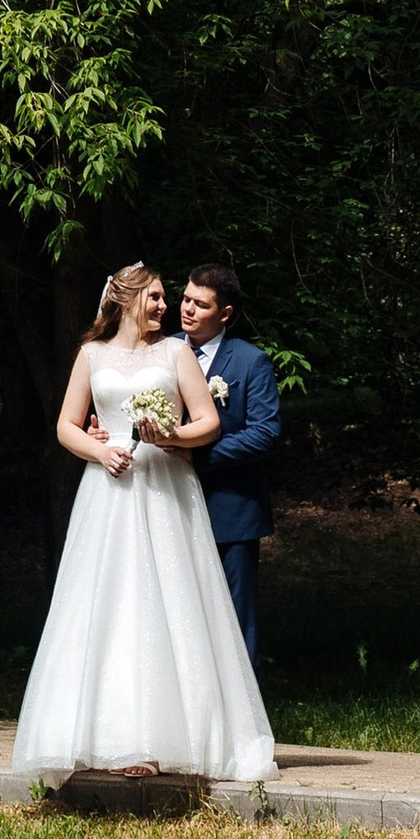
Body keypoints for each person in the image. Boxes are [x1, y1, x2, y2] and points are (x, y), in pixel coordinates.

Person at [10, 262, 277, 785]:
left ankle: (160, 740)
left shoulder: (175, 353)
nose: (165, 306)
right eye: (155, 296)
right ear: (126, 298)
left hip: (164, 490)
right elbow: (66, 425)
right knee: (106, 606)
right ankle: (92, 734)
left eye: (165, 297)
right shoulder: (91, 355)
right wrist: (99, 451)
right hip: (107, 495)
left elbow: (209, 422)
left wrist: (171, 437)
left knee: (166, 605)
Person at [178, 263, 280, 668]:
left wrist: (198, 455)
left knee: (235, 618)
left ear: (225, 314)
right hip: (170, 504)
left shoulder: (250, 362)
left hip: (231, 509)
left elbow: (265, 433)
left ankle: (244, 703)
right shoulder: (162, 351)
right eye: (186, 299)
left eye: (200, 305)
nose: (187, 309)